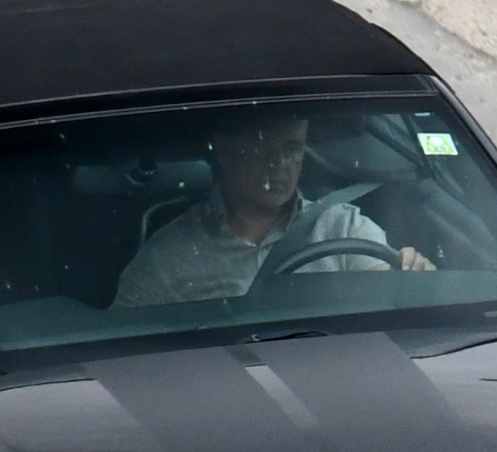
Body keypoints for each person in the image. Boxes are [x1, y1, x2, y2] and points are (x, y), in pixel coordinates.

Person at [113, 113, 433, 307]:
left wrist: (414, 281)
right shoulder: (168, 256)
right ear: (224, 150)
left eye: (291, 150)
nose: (278, 164)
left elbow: (388, 299)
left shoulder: (342, 227)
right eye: (261, 147)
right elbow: (124, 353)